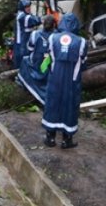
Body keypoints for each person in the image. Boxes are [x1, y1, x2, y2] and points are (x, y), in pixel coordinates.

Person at [41, 13, 88, 149]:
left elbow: (48, 57)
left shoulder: (52, 38)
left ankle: (50, 138)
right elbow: (83, 63)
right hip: (72, 81)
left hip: (55, 78)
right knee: (70, 106)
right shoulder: (82, 42)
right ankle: (67, 140)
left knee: (52, 104)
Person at [17, 14, 57, 105]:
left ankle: (23, 83)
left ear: (43, 23)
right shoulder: (56, 37)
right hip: (48, 67)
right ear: (54, 25)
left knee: (25, 60)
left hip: (36, 65)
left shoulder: (35, 34)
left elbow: (30, 49)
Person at [13, 0, 41, 69]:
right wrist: (44, 19)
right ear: (22, 7)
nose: (28, 8)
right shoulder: (22, 16)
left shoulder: (26, 14)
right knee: (21, 64)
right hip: (21, 45)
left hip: (24, 43)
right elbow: (34, 20)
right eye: (26, 7)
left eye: (29, 6)